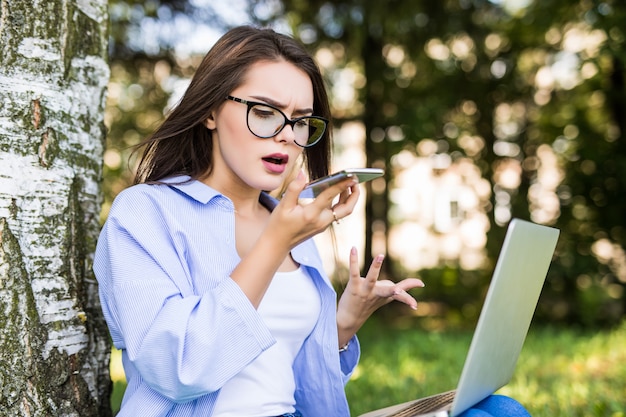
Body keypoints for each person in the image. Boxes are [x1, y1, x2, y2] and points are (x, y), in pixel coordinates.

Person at [94, 26, 530, 417]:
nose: (287, 134)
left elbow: (289, 376)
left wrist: (342, 324)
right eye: (264, 111)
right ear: (209, 111)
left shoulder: (289, 220)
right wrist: (274, 244)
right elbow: (177, 369)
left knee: (498, 409)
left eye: (301, 121)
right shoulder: (145, 212)